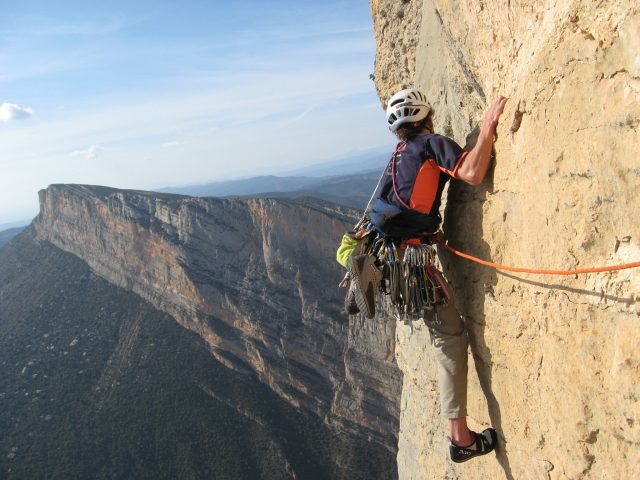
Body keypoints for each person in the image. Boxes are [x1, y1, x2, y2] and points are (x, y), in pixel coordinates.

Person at [347, 88, 507, 463]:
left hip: (388, 259)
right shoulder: (431, 144)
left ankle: (460, 433)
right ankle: (460, 438)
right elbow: (471, 172)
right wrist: (487, 128)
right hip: (411, 265)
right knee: (450, 336)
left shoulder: (398, 155)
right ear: (427, 117)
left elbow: (401, 203)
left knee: (443, 335)